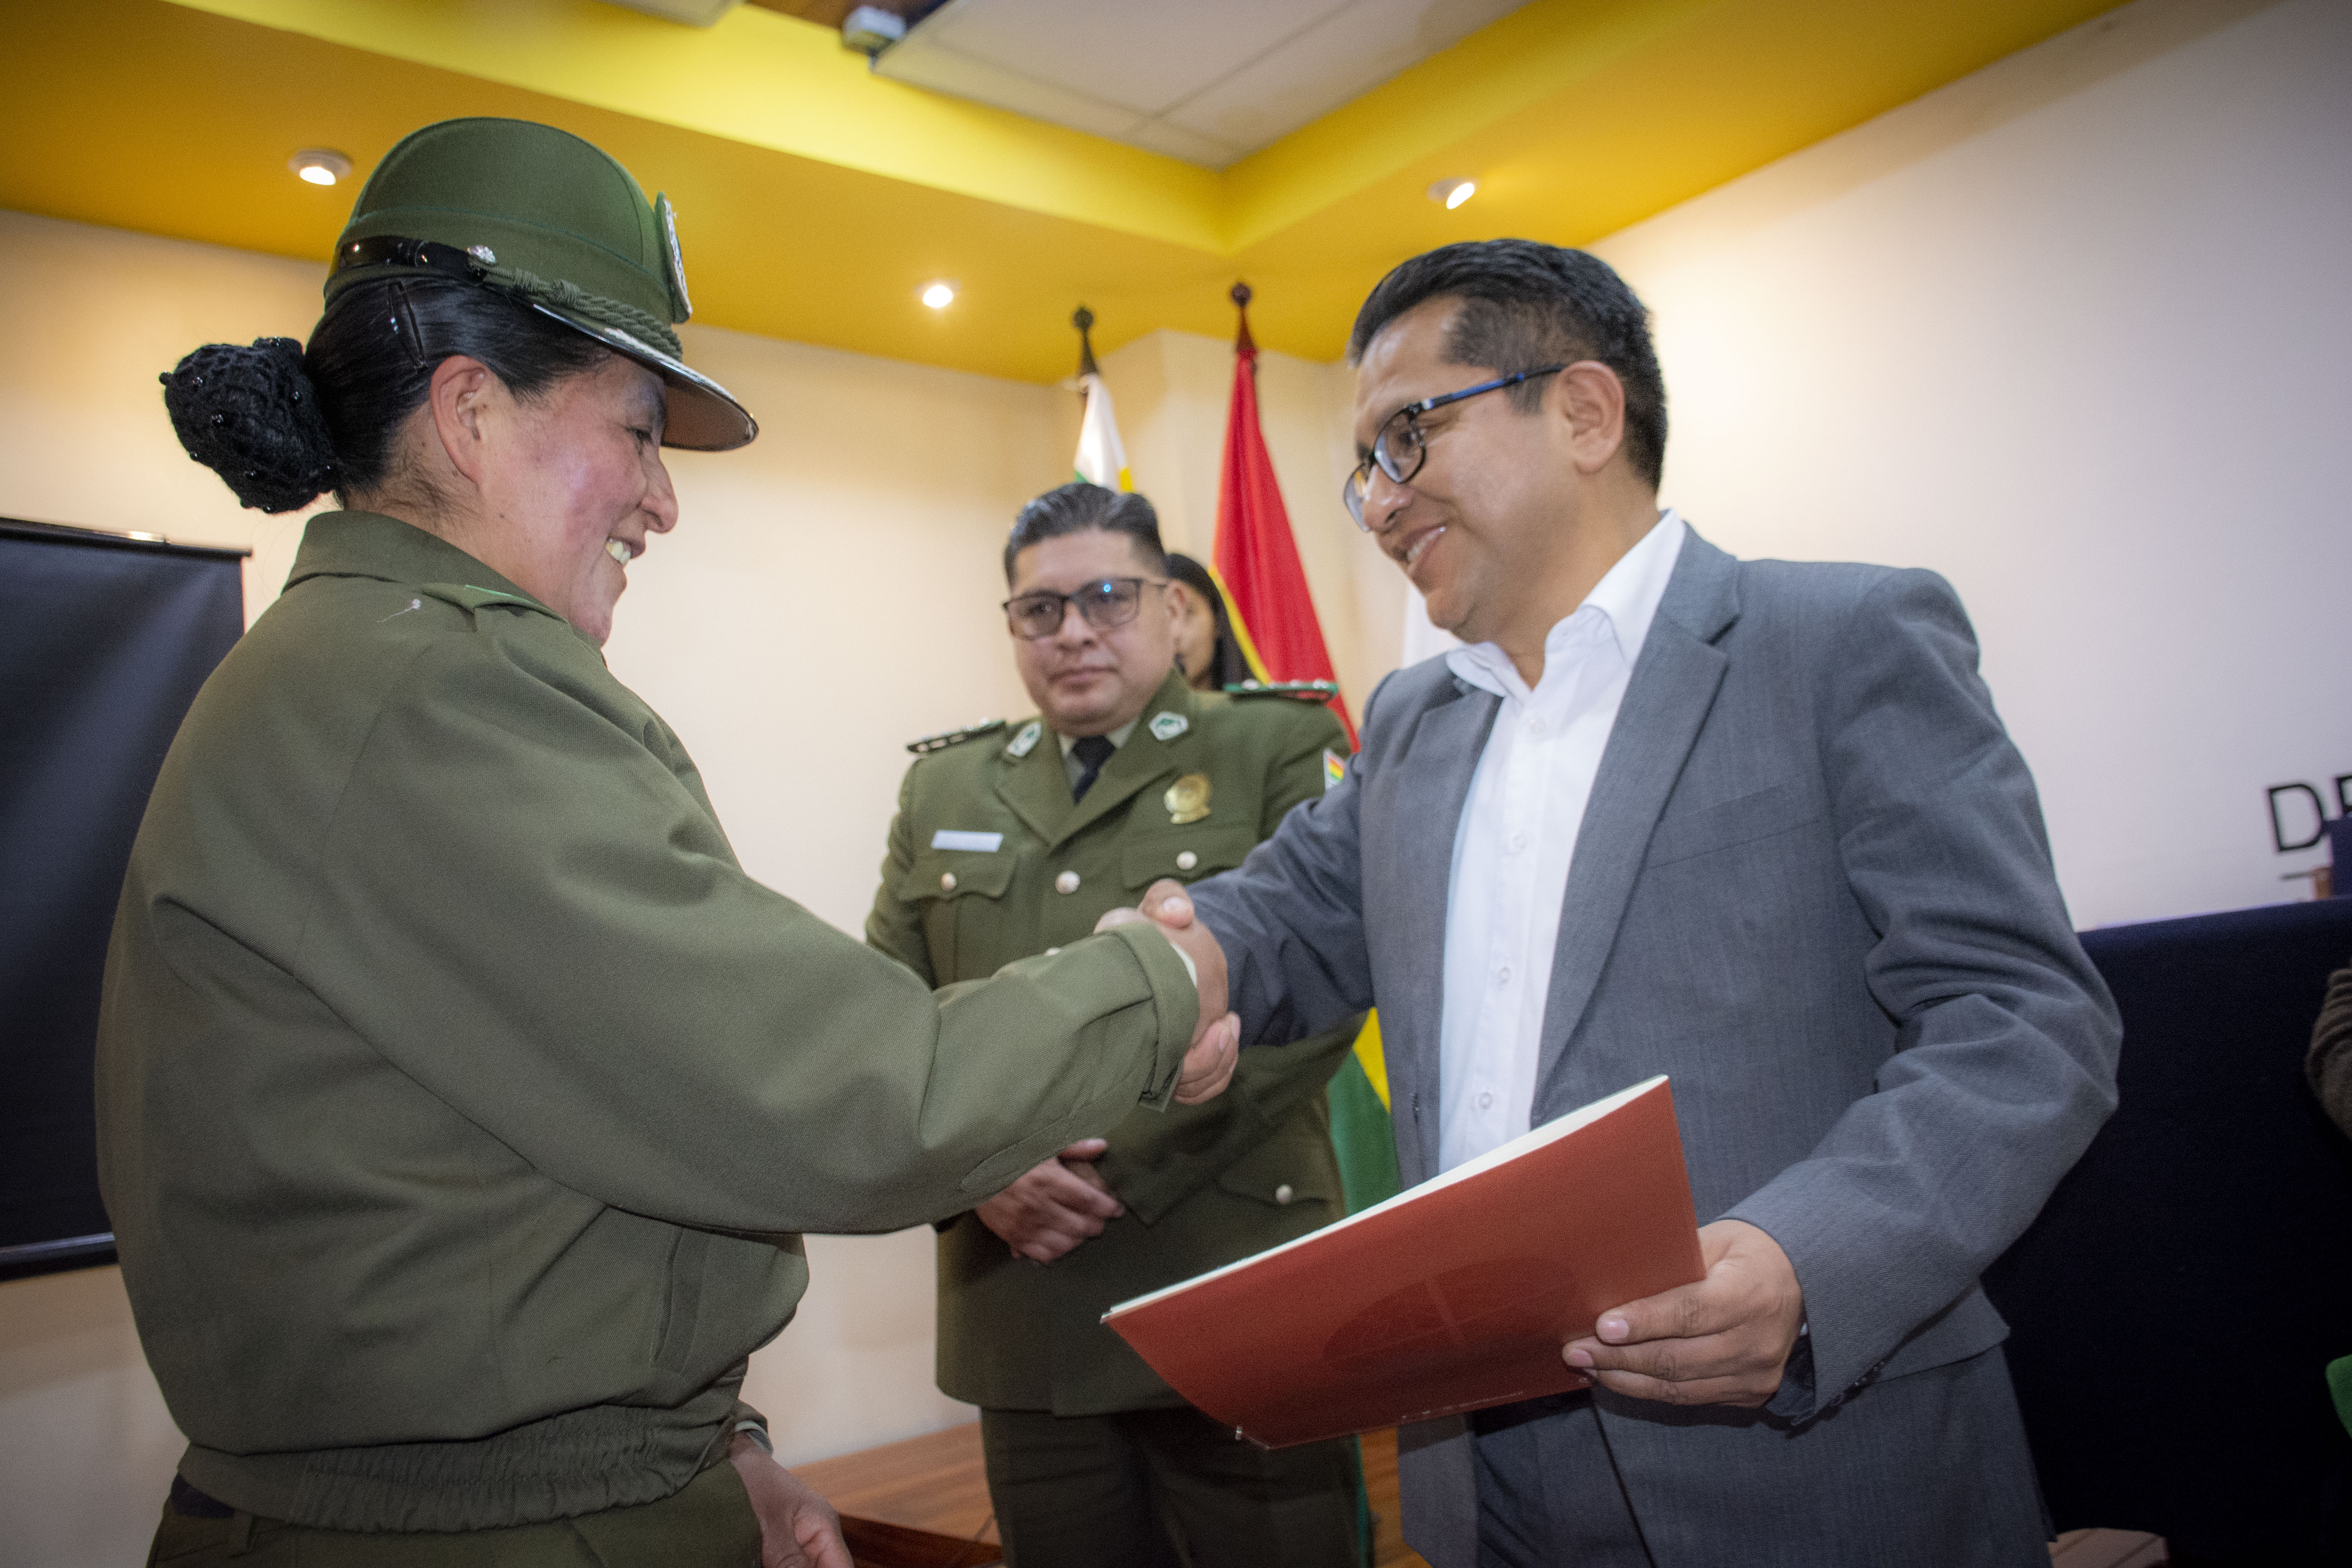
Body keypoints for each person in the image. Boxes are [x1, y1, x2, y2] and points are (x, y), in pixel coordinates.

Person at [100, 118, 1236, 1568]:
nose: (663, 496)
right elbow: (854, 1094)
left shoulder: (354, 667)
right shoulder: (439, 690)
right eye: (636, 428)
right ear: (471, 412)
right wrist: (1156, 979)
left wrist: (717, 1449)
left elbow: (556, 1167)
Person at [1124, 240, 2123, 1567]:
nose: (1379, 504)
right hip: (1487, 1469)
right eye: (1364, 466)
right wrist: (1164, 963)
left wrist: (1805, 1258)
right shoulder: (1415, 721)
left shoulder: (1840, 642)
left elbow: (2023, 1023)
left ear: (1586, 412)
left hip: (1810, 1451)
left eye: (1408, 436)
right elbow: (1282, 918)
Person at [865, 483, 1365, 1568]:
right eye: (1040, 609)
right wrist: (982, 1175)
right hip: (1027, 1315)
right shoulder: (945, 787)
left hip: (1231, 1287)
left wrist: (1102, 1169)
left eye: (1108, 597)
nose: (1074, 631)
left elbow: (1327, 984)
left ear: (1174, 608)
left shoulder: (1276, 745)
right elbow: (888, 1022)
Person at [1165, 551, 1251, 693]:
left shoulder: (1255, 704)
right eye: (1165, 617)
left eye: (1188, 613)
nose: (1175, 634)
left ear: (1216, 619)